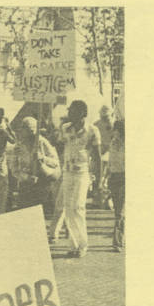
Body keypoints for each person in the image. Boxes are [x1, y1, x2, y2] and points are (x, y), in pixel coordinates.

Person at [59, 100, 101, 258]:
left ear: (82, 113)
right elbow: (61, 147)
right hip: (67, 172)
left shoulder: (92, 130)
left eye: (73, 111)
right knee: (68, 208)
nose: (69, 114)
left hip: (83, 173)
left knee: (78, 207)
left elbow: (96, 157)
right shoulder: (65, 128)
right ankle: (73, 245)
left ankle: (83, 245)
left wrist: (98, 179)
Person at [11, 117, 60, 215]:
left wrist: (43, 159)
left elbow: (55, 162)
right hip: (26, 184)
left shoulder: (42, 142)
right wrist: (26, 177)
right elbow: (14, 169)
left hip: (42, 182)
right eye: (25, 129)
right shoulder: (18, 147)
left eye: (31, 131)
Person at [108, 119, 125, 251]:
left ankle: (117, 241)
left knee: (120, 212)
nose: (114, 132)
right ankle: (119, 240)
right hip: (114, 177)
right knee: (118, 211)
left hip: (123, 177)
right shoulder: (113, 143)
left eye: (116, 130)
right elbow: (109, 162)